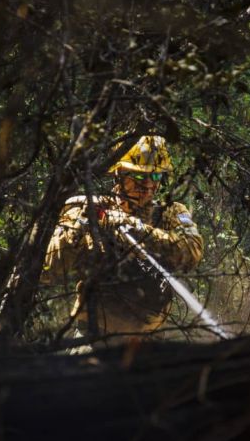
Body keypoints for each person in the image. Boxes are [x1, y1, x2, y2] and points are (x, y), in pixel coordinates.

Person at [42, 135, 203, 345]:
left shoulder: (171, 213)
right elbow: (50, 269)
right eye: (138, 176)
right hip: (94, 336)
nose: (147, 185)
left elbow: (191, 251)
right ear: (119, 173)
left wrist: (135, 228)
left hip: (149, 340)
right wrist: (79, 227)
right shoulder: (91, 208)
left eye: (155, 176)